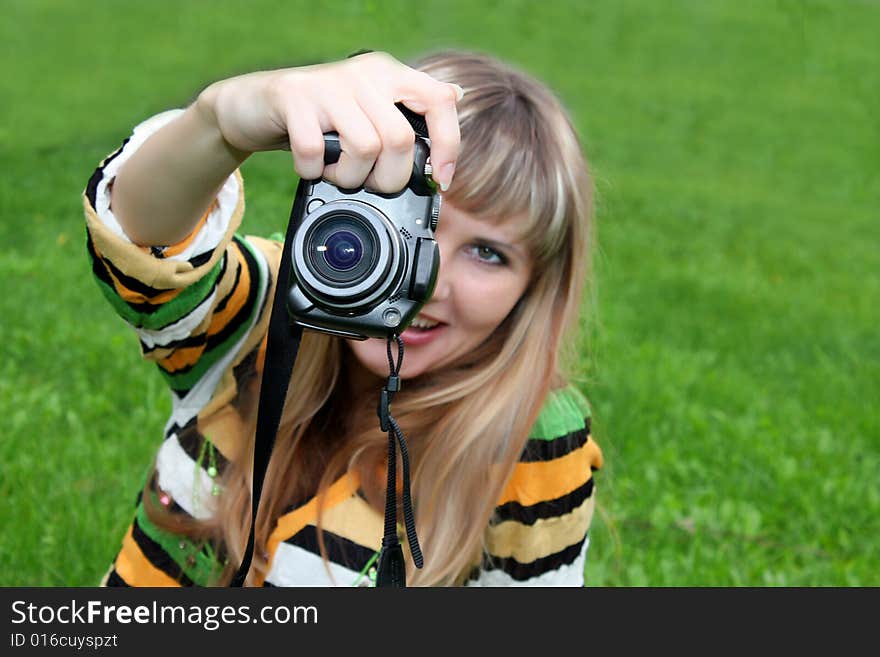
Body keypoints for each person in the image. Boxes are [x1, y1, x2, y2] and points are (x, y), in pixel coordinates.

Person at [82, 50, 603, 587]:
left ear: (532, 289)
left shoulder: (524, 434)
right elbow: (142, 247)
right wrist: (222, 122)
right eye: (411, 213)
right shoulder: (265, 312)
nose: (427, 281)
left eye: (488, 253)